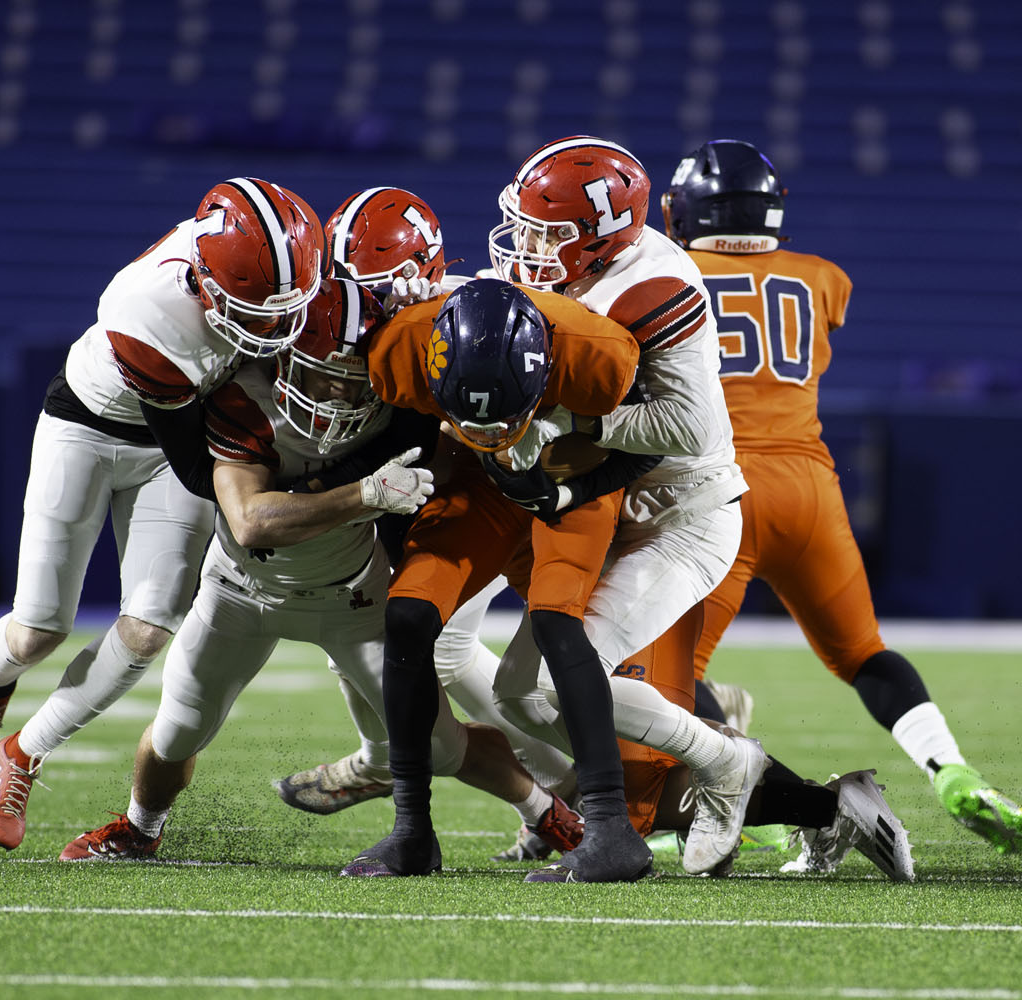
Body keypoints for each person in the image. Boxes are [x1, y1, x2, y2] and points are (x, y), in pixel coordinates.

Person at [58, 278, 583, 862]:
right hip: (239, 589)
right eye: (322, 371)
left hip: (351, 595)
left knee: (437, 744)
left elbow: (451, 436)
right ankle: (139, 828)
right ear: (286, 356)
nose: (338, 390)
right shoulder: (245, 397)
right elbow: (252, 520)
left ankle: (549, 812)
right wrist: (364, 493)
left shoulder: (397, 405)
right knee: (180, 728)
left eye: (355, 379)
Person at [660, 138, 1022, 858]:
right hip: (810, 490)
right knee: (865, 654)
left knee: (663, 682)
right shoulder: (819, 277)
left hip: (718, 494)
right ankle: (952, 771)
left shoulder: (670, 276)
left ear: (682, 213)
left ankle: (795, 807)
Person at [341, 278, 764, 884]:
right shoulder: (402, 351)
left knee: (557, 624)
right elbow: (403, 448)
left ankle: (611, 829)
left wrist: (568, 488)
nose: (491, 429)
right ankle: (412, 832)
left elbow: (650, 447)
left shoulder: (597, 353)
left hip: (567, 474)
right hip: (477, 483)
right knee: (407, 614)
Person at [0, 177, 325, 851]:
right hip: (91, 428)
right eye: (252, 308)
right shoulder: (145, 309)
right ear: (204, 281)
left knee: (149, 629)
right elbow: (193, 464)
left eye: (283, 306)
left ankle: (24, 753)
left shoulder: (273, 271)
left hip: (176, 434)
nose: (272, 325)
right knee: (38, 629)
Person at [484, 136, 767, 878]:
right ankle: (692, 761)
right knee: (515, 693)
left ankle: (723, 763)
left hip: (686, 513)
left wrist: (571, 422)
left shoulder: (653, 285)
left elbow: (687, 427)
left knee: (553, 680)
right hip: (614, 504)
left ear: (604, 238)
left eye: (550, 233)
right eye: (530, 226)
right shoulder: (576, 268)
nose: (530, 246)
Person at [274, 188, 581, 827]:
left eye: (376, 284)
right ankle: (556, 789)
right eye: (342, 281)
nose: (357, 300)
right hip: (431, 498)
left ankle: (386, 760)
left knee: (396, 638)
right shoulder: (353, 320)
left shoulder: (460, 319)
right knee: (434, 649)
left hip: (486, 499)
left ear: (419, 274)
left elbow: (461, 446)